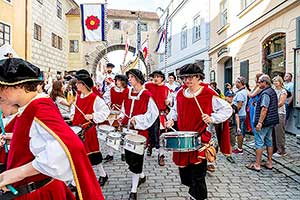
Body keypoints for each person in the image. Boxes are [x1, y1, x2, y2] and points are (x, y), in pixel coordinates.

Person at [0, 58, 104, 199]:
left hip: (39, 192)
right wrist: (16, 138)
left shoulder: (39, 107)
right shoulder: (30, 107)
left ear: (18, 86)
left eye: (2, 87)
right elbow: (39, 138)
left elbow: (66, 147)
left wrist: (17, 173)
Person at [166, 63, 232, 200]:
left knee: (198, 176)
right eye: (184, 78)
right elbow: (174, 110)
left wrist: (212, 117)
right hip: (183, 139)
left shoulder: (208, 93)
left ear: (198, 77)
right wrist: (171, 119)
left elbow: (227, 109)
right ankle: (194, 193)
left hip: (200, 140)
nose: (187, 80)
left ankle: (199, 197)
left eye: (190, 77)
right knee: (185, 175)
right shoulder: (180, 93)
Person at [119, 69, 159, 200]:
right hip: (127, 130)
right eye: (129, 77)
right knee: (129, 158)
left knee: (136, 159)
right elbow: (124, 109)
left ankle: (134, 189)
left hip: (140, 131)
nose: (129, 79)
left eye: (131, 77)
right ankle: (141, 176)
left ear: (138, 79)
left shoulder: (147, 95)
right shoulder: (127, 93)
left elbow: (153, 113)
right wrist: (121, 117)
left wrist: (138, 119)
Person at [70, 70, 110, 187]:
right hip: (77, 128)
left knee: (93, 154)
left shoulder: (95, 98)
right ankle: (75, 180)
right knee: (77, 155)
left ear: (84, 85)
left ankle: (102, 175)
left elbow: (105, 111)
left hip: (88, 130)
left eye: (78, 83)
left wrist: (93, 116)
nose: (76, 85)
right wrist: (72, 114)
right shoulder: (78, 96)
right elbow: (74, 108)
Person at [246, 75, 279, 171]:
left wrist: (260, 122)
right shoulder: (271, 91)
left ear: (265, 83)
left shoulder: (265, 93)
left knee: (259, 142)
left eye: (260, 82)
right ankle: (269, 162)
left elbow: (264, 108)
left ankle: (257, 164)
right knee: (269, 141)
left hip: (264, 122)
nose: (258, 84)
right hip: (271, 121)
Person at [145, 70, 171, 166]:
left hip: (161, 116)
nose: (156, 78)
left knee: (161, 135)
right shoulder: (148, 86)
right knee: (150, 133)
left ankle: (161, 155)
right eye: (154, 76)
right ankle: (150, 146)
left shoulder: (166, 89)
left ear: (162, 78)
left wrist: (169, 101)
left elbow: (171, 99)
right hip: (151, 115)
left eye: (158, 76)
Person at [103, 74, 129, 162]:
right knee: (110, 134)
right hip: (112, 114)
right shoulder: (111, 90)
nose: (117, 82)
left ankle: (123, 153)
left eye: (119, 80)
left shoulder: (128, 91)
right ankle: (110, 154)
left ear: (123, 82)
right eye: (116, 80)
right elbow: (105, 98)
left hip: (123, 115)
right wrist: (109, 104)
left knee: (123, 134)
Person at [232, 76, 248, 154]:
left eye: (237, 82)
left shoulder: (241, 93)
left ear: (240, 83)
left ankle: (240, 149)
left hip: (240, 115)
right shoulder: (241, 91)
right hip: (240, 114)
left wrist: (235, 112)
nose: (235, 83)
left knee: (239, 131)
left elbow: (239, 105)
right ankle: (239, 147)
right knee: (239, 131)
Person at [272, 75, 287, 157]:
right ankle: (275, 149)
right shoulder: (273, 90)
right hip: (274, 113)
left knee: (279, 132)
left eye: (276, 81)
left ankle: (281, 151)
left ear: (280, 82)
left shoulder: (283, 91)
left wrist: (271, 106)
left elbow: (281, 103)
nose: (275, 83)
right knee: (273, 132)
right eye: (274, 81)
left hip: (280, 113)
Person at [224, 90, 238, 163]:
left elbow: (236, 116)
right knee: (223, 139)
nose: (231, 98)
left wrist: (238, 127)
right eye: (229, 97)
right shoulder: (223, 105)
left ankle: (229, 155)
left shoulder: (234, 106)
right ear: (225, 97)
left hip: (232, 125)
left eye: (232, 97)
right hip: (224, 125)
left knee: (231, 140)